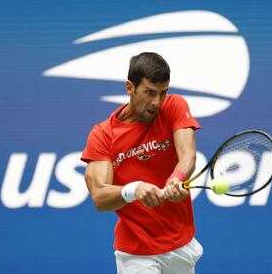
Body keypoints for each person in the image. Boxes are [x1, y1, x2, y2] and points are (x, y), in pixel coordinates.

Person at [81, 52, 203, 273]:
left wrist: (177, 178)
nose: (156, 102)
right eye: (149, 92)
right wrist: (133, 190)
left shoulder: (173, 106)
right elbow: (99, 197)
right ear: (130, 88)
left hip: (181, 242)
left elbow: (187, 155)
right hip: (136, 252)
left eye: (162, 93)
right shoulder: (103, 135)